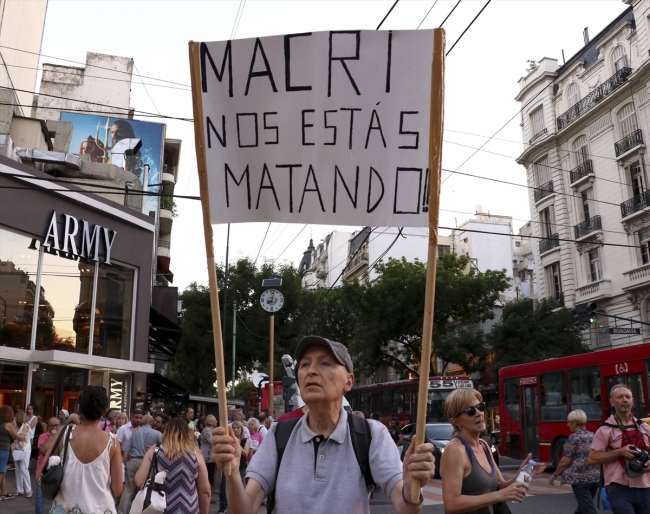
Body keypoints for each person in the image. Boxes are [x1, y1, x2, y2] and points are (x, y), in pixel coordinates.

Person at [211, 335, 436, 514]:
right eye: (305, 364)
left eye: (325, 363)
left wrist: (411, 488)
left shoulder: (371, 435)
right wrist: (231, 472)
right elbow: (245, 509)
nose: (311, 371)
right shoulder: (279, 434)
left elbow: (407, 507)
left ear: (348, 381)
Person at [441, 388, 546, 514]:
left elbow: (499, 486)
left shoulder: (484, 445)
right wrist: (499, 496)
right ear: (456, 422)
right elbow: (451, 504)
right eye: (470, 411)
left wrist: (521, 473)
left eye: (480, 407)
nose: (479, 413)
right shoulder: (455, 449)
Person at [36, 386, 123, 513]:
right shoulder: (112, 442)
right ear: (104, 412)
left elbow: (39, 475)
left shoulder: (63, 433)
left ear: (79, 408)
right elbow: (117, 489)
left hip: (64, 509)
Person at [588, 384, 650, 513]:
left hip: (645, 486)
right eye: (620, 397)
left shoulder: (644, 427)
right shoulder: (605, 430)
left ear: (632, 400)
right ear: (612, 402)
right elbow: (592, 458)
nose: (625, 400)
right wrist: (620, 452)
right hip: (619, 488)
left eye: (628, 397)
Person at [135, 418, 211, 514]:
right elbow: (205, 491)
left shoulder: (155, 450)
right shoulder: (195, 454)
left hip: (159, 508)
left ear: (166, 431)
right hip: (189, 509)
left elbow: (139, 481)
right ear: (187, 432)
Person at [548, 409, 599, 514]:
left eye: (569, 422)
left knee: (588, 509)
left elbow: (565, 461)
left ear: (574, 423)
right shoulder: (593, 436)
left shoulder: (573, 438)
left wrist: (554, 475)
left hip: (580, 479)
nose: (568, 425)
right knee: (583, 507)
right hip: (595, 478)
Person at [119, 414, 162, 514]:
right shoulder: (157, 434)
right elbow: (164, 449)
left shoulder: (135, 433)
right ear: (151, 422)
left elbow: (126, 450)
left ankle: (122, 512)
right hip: (149, 464)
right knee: (147, 489)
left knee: (128, 490)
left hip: (134, 461)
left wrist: (124, 463)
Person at [0, 405, 27, 500]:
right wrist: (16, 428)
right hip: (3, 449)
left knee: (3, 471)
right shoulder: (8, 425)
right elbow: (16, 436)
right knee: (1, 472)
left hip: (1, 448)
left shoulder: (1, 424)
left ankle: (4, 492)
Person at [35, 418, 60, 514]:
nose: (54, 427)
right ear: (48, 426)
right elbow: (43, 450)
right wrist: (51, 437)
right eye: (52, 425)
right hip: (43, 470)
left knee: (59, 496)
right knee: (40, 497)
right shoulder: (43, 436)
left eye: (56, 425)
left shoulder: (63, 437)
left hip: (57, 470)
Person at [12, 410, 32, 497]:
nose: (14, 419)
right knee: (18, 469)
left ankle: (29, 489)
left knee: (24, 468)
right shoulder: (16, 427)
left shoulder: (25, 426)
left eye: (16, 417)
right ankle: (19, 489)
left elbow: (22, 437)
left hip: (25, 449)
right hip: (17, 449)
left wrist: (13, 432)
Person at [201, 414, 217, 503]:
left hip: (208, 456)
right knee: (208, 477)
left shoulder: (207, 430)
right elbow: (212, 442)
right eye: (215, 420)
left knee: (209, 476)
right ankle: (208, 497)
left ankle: (209, 496)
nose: (216, 422)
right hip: (208, 457)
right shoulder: (207, 431)